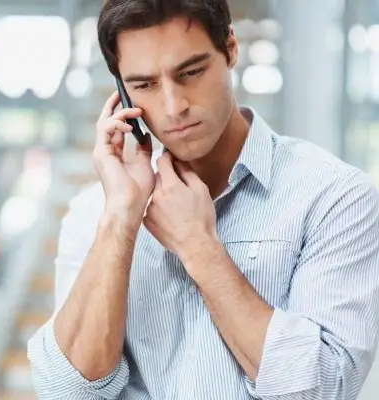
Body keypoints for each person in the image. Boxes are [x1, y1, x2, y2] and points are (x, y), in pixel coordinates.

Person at [27, 0, 379, 399]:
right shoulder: (98, 211)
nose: (174, 107)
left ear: (230, 48)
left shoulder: (334, 197)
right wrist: (121, 219)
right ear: (122, 95)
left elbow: (323, 389)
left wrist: (198, 246)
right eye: (144, 85)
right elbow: (67, 392)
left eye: (191, 72)